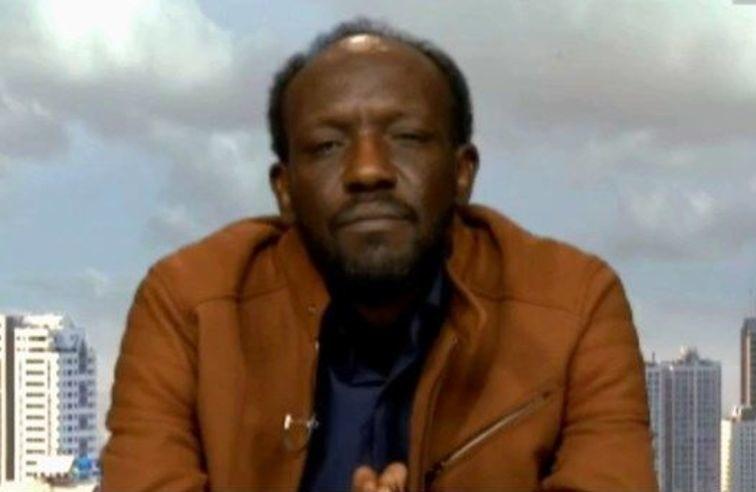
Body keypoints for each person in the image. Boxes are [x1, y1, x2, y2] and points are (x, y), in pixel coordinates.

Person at [101, 19, 657, 492]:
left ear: (462, 173)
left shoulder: (576, 304)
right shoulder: (189, 304)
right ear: (285, 190)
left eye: (407, 137)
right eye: (327, 145)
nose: (368, 170)